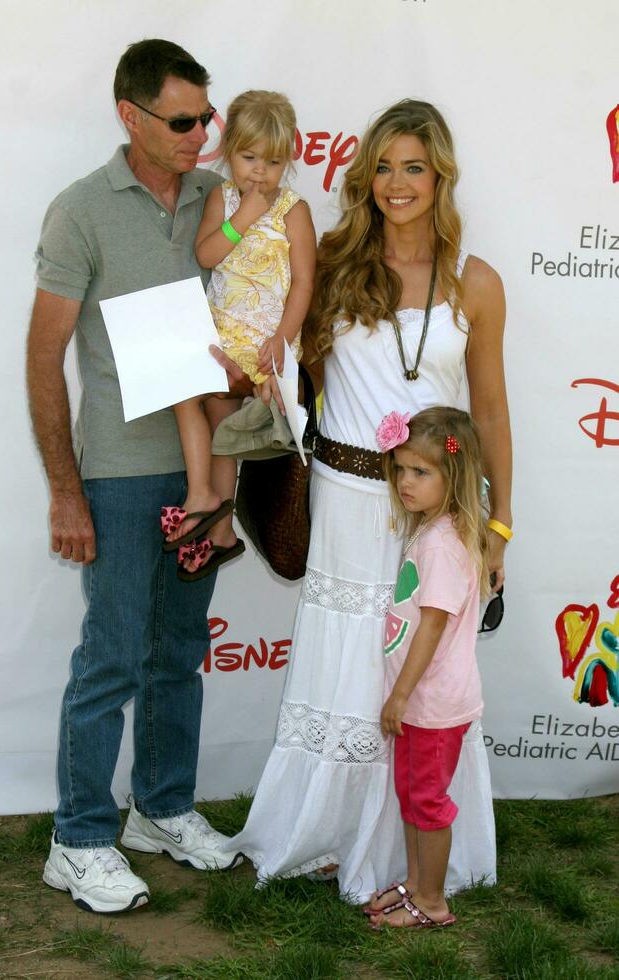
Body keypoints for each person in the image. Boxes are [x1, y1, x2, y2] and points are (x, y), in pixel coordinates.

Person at [226, 99, 512, 903]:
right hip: (348, 500)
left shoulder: (476, 283)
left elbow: (489, 411)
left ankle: (414, 856)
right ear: (365, 177)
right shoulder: (338, 268)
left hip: (439, 518)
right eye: (383, 166)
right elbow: (282, 359)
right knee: (344, 671)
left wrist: (498, 525)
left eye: (413, 166)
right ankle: (326, 833)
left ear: (441, 175)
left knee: (420, 674)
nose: (396, 183)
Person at [26, 38, 242, 915]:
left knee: (178, 655)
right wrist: (66, 491)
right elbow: (44, 363)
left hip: (206, 474)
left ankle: (160, 810)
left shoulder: (213, 199)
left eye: (207, 117)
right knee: (110, 658)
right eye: (183, 120)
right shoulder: (79, 210)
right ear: (131, 116)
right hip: (116, 475)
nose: (201, 134)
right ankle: (77, 839)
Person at [161, 90, 316, 582]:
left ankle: (218, 520)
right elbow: (206, 256)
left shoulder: (294, 209)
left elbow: (305, 282)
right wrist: (240, 220)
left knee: (225, 431)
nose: (259, 172)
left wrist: (284, 341)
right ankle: (206, 503)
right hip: (219, 334)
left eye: (272, 162)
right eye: (249, 158)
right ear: (229, 154)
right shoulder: (221, 198)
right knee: (190, 399)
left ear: (287, 162)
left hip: (265, 345)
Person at [366, 406, 489, 930]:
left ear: (452, 476)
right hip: (422, 701)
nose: (404, 482)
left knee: (427, 804)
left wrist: (399, 696)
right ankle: (416, 885)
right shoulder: (435, 530)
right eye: (400, 469)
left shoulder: (441, 543)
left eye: (420, 472)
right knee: (412, 797)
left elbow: (431, 627)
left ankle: (433, 902)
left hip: (431, 703)